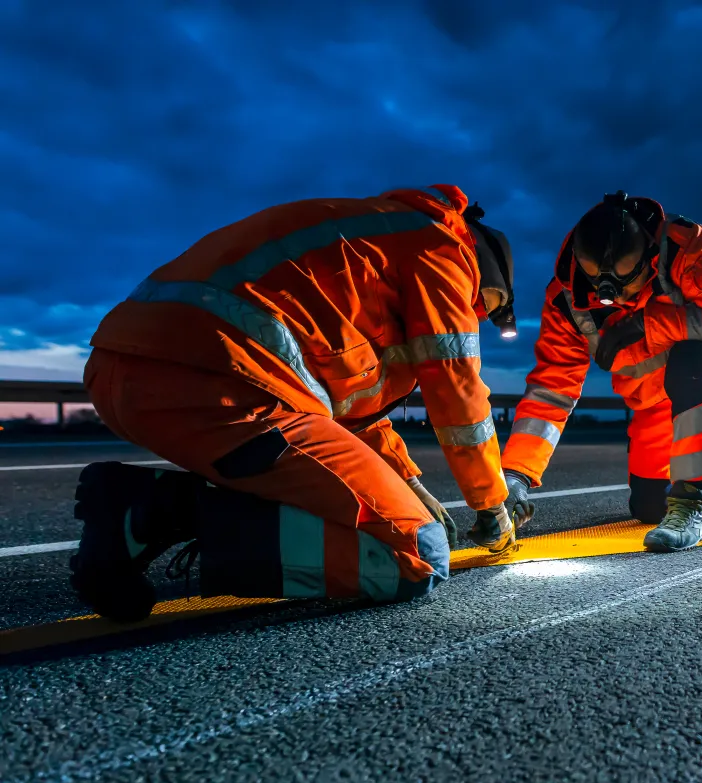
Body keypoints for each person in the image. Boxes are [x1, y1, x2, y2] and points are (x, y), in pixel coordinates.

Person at [72, 184, 520, 622]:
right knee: (417, 554)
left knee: (373, 507)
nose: (474, 313)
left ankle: (148, 510)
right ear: (483, 264)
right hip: (222, 391)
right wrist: (490, 502)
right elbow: (456, 385)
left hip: (122, 376)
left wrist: (408, 482)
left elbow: (352, 410)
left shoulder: (368, 242)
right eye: (483, 304)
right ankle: (161, 512)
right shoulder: (441, 248)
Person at [499, 192, 702, 553]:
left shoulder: (685, 247)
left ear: (650, 259)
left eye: (627, 285)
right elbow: (551, 389)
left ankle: (692, 506)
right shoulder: (565, 300)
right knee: (650, 507)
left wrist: (646, 324)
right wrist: (515, 475)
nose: (615, 300)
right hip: (656, 397)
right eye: (602, 288)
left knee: (690, 361)